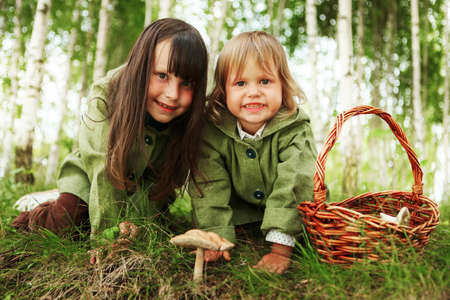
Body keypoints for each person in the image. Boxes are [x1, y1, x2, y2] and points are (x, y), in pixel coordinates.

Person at [12, 18, 208, 240]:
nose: (173, 94)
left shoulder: (191, 117)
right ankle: (37, 212)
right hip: (93, 174)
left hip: (144, 190)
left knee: (149, 229)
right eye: (162, 76)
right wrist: (109, 236)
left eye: (187, 83)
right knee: (67, 220)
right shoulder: (107, 94)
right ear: (142, 67)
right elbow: (103, 167)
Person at [189, 31, 317, 274]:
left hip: (296, 209)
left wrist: (280, 249)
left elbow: (295, 182)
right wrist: (215, 234)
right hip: (242, 211)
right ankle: (233, 228)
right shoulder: (212, 130)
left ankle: (283, 232)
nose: (253, 92)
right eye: (240, 83)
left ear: (283, 85)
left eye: (265, 81)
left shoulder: (295, 127)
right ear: (224, 91)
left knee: (299, 193)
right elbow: (209, 184)